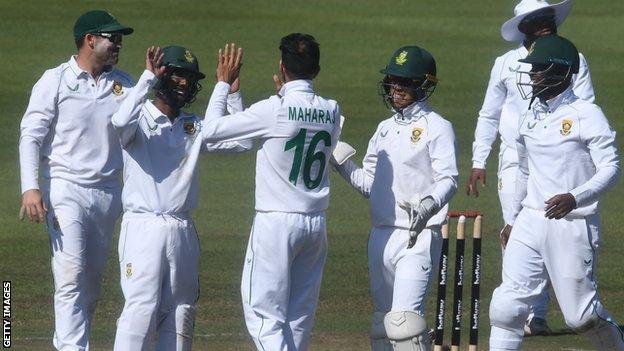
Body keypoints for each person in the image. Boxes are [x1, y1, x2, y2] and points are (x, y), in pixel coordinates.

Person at [202, 34, 342, 351]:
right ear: (317, 70)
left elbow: (210, 132)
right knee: (298, 320)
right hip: (315, 225)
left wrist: (223, 85)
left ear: (281, 66)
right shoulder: (332, 110)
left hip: (277, 224)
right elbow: (291, 128)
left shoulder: (273, 109)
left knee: (264, 317)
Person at [466, 0, 595, 335]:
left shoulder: (573, 59)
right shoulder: (505, 64)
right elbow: (489, 113)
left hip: (556, 157)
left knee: (550, 225)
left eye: (549, 18)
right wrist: (479, 159)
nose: (547, 24)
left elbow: (586, 110)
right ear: (523, 27)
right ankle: (519, 307)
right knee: (515, 228)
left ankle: (537, 314)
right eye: (538, 21)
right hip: (512, 158)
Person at [488, 34, 624, 351]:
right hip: (531, 220)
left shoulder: (587, 115)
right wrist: (512, 219)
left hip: (573, 222)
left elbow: (611, 168)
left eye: (538, 69)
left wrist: (574, 197)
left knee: (581, 318)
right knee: (506, 308)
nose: (531, 75)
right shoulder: (530, 115)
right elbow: (522, 169)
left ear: (560, 72)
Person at [110, 46, 251, 350]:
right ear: (161, 76)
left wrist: (232, 94)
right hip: (143, 226)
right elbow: (119, 123)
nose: (184, 83)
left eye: (189, 78)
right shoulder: (138, 117)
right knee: (140, 308)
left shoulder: (193, 125)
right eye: (177, 75)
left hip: (182, 229)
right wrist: (147, 77)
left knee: (181, 311)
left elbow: (242, 141)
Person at [18, 10, 133, 350]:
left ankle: (74, 341)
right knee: (70, 274)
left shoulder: (124, 84)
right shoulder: (55, 80)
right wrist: (31, 186)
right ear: (89, 40)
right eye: (112, 38)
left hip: (109, 193)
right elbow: (30, 136)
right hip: (65, 189)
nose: (118, 44)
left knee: (91, 284)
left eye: (120, 38)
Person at [332, 46, 458, 350]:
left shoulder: (437, 127)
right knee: (382, 325)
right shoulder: (383, 130)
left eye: (405, 82)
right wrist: (338, 161)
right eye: (392, 81)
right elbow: (369, 185)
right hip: (381, 235)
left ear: (423, 85)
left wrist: (429, 206)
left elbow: (449, 179)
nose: (397, 88)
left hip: (418, 237)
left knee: (404, 324)